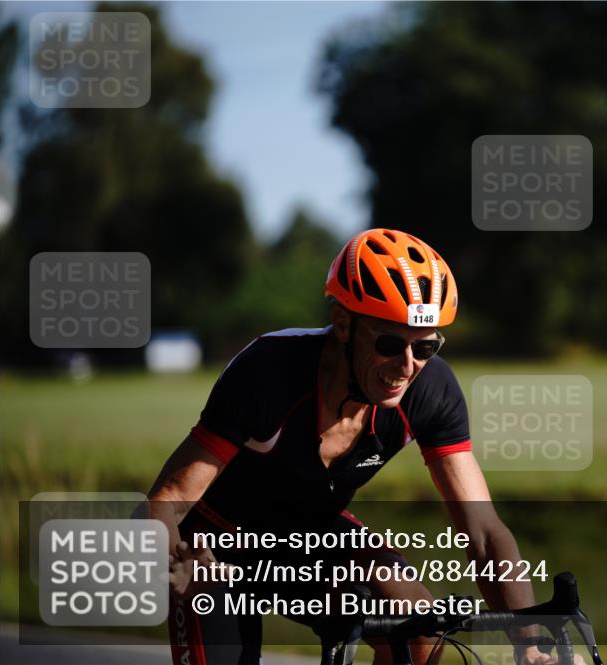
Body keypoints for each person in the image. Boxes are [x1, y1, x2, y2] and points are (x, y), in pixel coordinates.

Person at [148, 229, 562, 665]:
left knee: (418, 632)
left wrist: (529, 642)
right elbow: (165, 502)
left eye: (425, 346)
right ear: (344, 324)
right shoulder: (270, 372)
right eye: (389, 343)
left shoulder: (431, 388)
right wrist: (175, 558)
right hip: (217, 540)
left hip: (313, 532)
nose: (407, 366)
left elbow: (484, 532)